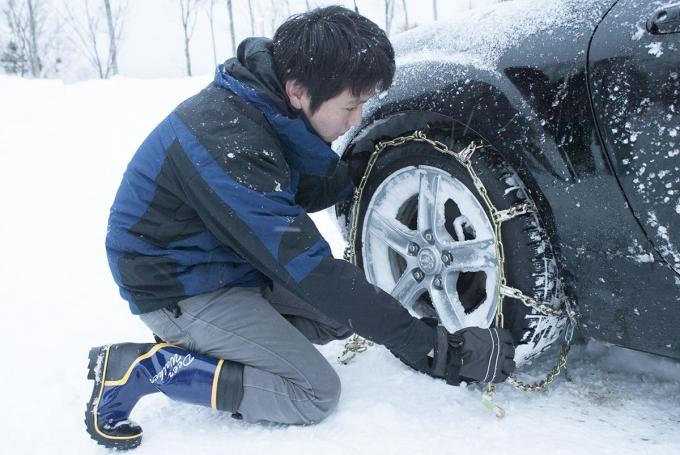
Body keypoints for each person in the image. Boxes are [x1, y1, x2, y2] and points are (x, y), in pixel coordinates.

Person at [86, 5, 516, 450]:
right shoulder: (225, 142)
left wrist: (362, 167)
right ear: (297, 90)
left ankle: (218, 342)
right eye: (351, 106)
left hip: (228, 264)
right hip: (178, 286)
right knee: (313, 393)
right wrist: (433, 347)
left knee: (338, 319)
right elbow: (308, 268)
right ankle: (146, 368)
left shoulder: (267, 104)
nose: (357, 119)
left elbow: (306, 187)